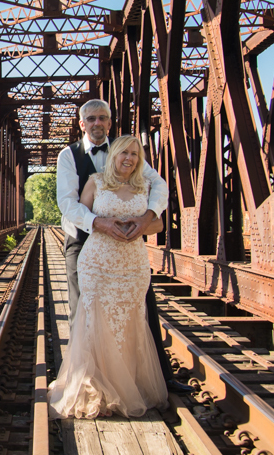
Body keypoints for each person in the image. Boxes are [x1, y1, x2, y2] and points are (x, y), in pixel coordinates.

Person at [55, 99, 192, 395]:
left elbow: (159, 184)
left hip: (127, 243)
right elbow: (67, 202)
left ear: (109, 121)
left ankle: (159, 376)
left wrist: (148, 217)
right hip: (84, 239)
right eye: (90, 119)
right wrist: (98, 223)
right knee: (83, 307)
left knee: (143, 305)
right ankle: (82, 377)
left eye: (102, 118)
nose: (97, 123)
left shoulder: (126, 150)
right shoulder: (69, 155)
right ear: (82, 124)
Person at [49, 134, 169, 418]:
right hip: (98, 261)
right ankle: (94, 388)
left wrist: (142, 225)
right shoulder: (95, 181)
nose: (129, 158)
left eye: (135, 154)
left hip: (132, 264)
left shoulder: (146, 185)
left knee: (129, 321)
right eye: (124, 153)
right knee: (94, 320)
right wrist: (100, 224)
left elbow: (159, 224)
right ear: (114, 154)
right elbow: (75, 212)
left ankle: (127, 386)